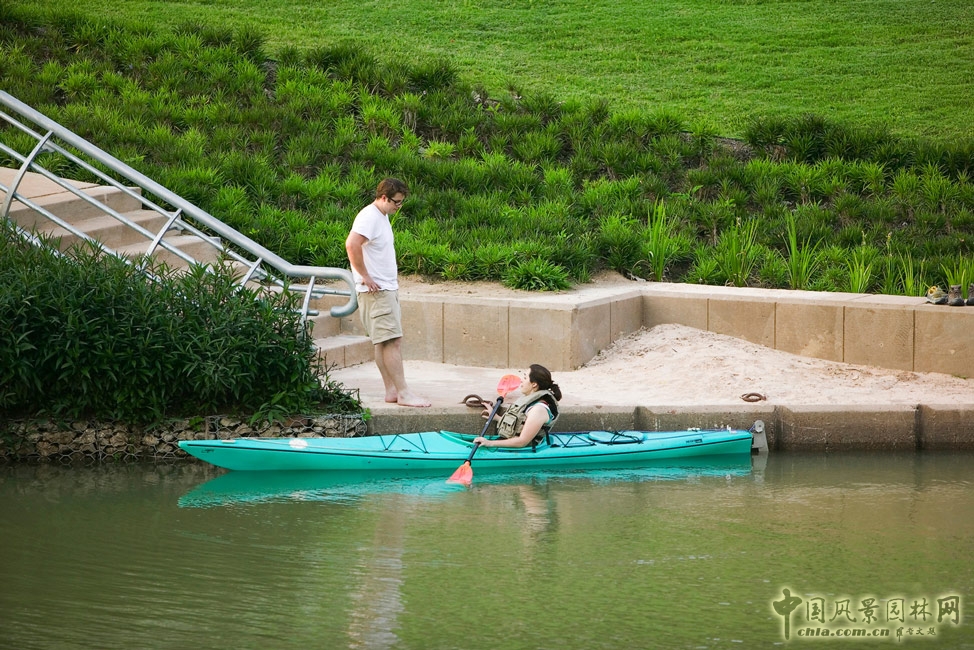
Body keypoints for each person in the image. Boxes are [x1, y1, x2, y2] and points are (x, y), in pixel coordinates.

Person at [345, 178, 430, 407]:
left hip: (382, 289)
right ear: (384, 197)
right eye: (396, 202)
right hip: (377, 291)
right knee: (392, 341)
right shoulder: (369, 216)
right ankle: (403, 393)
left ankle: (392, 391)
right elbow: (352, 244)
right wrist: (365, 276)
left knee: (383, 342)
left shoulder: (379, 216)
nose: (398, 207)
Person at [474, 364, 561, 448]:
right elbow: (518, 425)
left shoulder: (538, 410)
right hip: (512, 444)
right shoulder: (529, 400)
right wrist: (495, 416)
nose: (521, 380)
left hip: (525, 449)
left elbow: (522, 441)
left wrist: (489, 443)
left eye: (525, 378)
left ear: (534, 384)